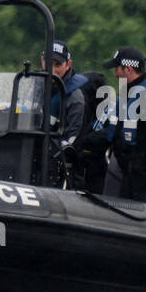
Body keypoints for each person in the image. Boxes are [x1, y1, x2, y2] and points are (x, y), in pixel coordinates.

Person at [101, 46, 146, 204]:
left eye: (117, 69)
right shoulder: (128, 98)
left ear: (128, 69)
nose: (114, 74)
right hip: (133, 176)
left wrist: (135, 176)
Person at [44, 40, 88, 185]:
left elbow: (71, 140)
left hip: (59, 165)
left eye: (58, 65)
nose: (52, 70)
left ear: (68, 64)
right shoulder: (35, 85)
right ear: (42, 60)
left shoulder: (75, 98)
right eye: (49, 63)